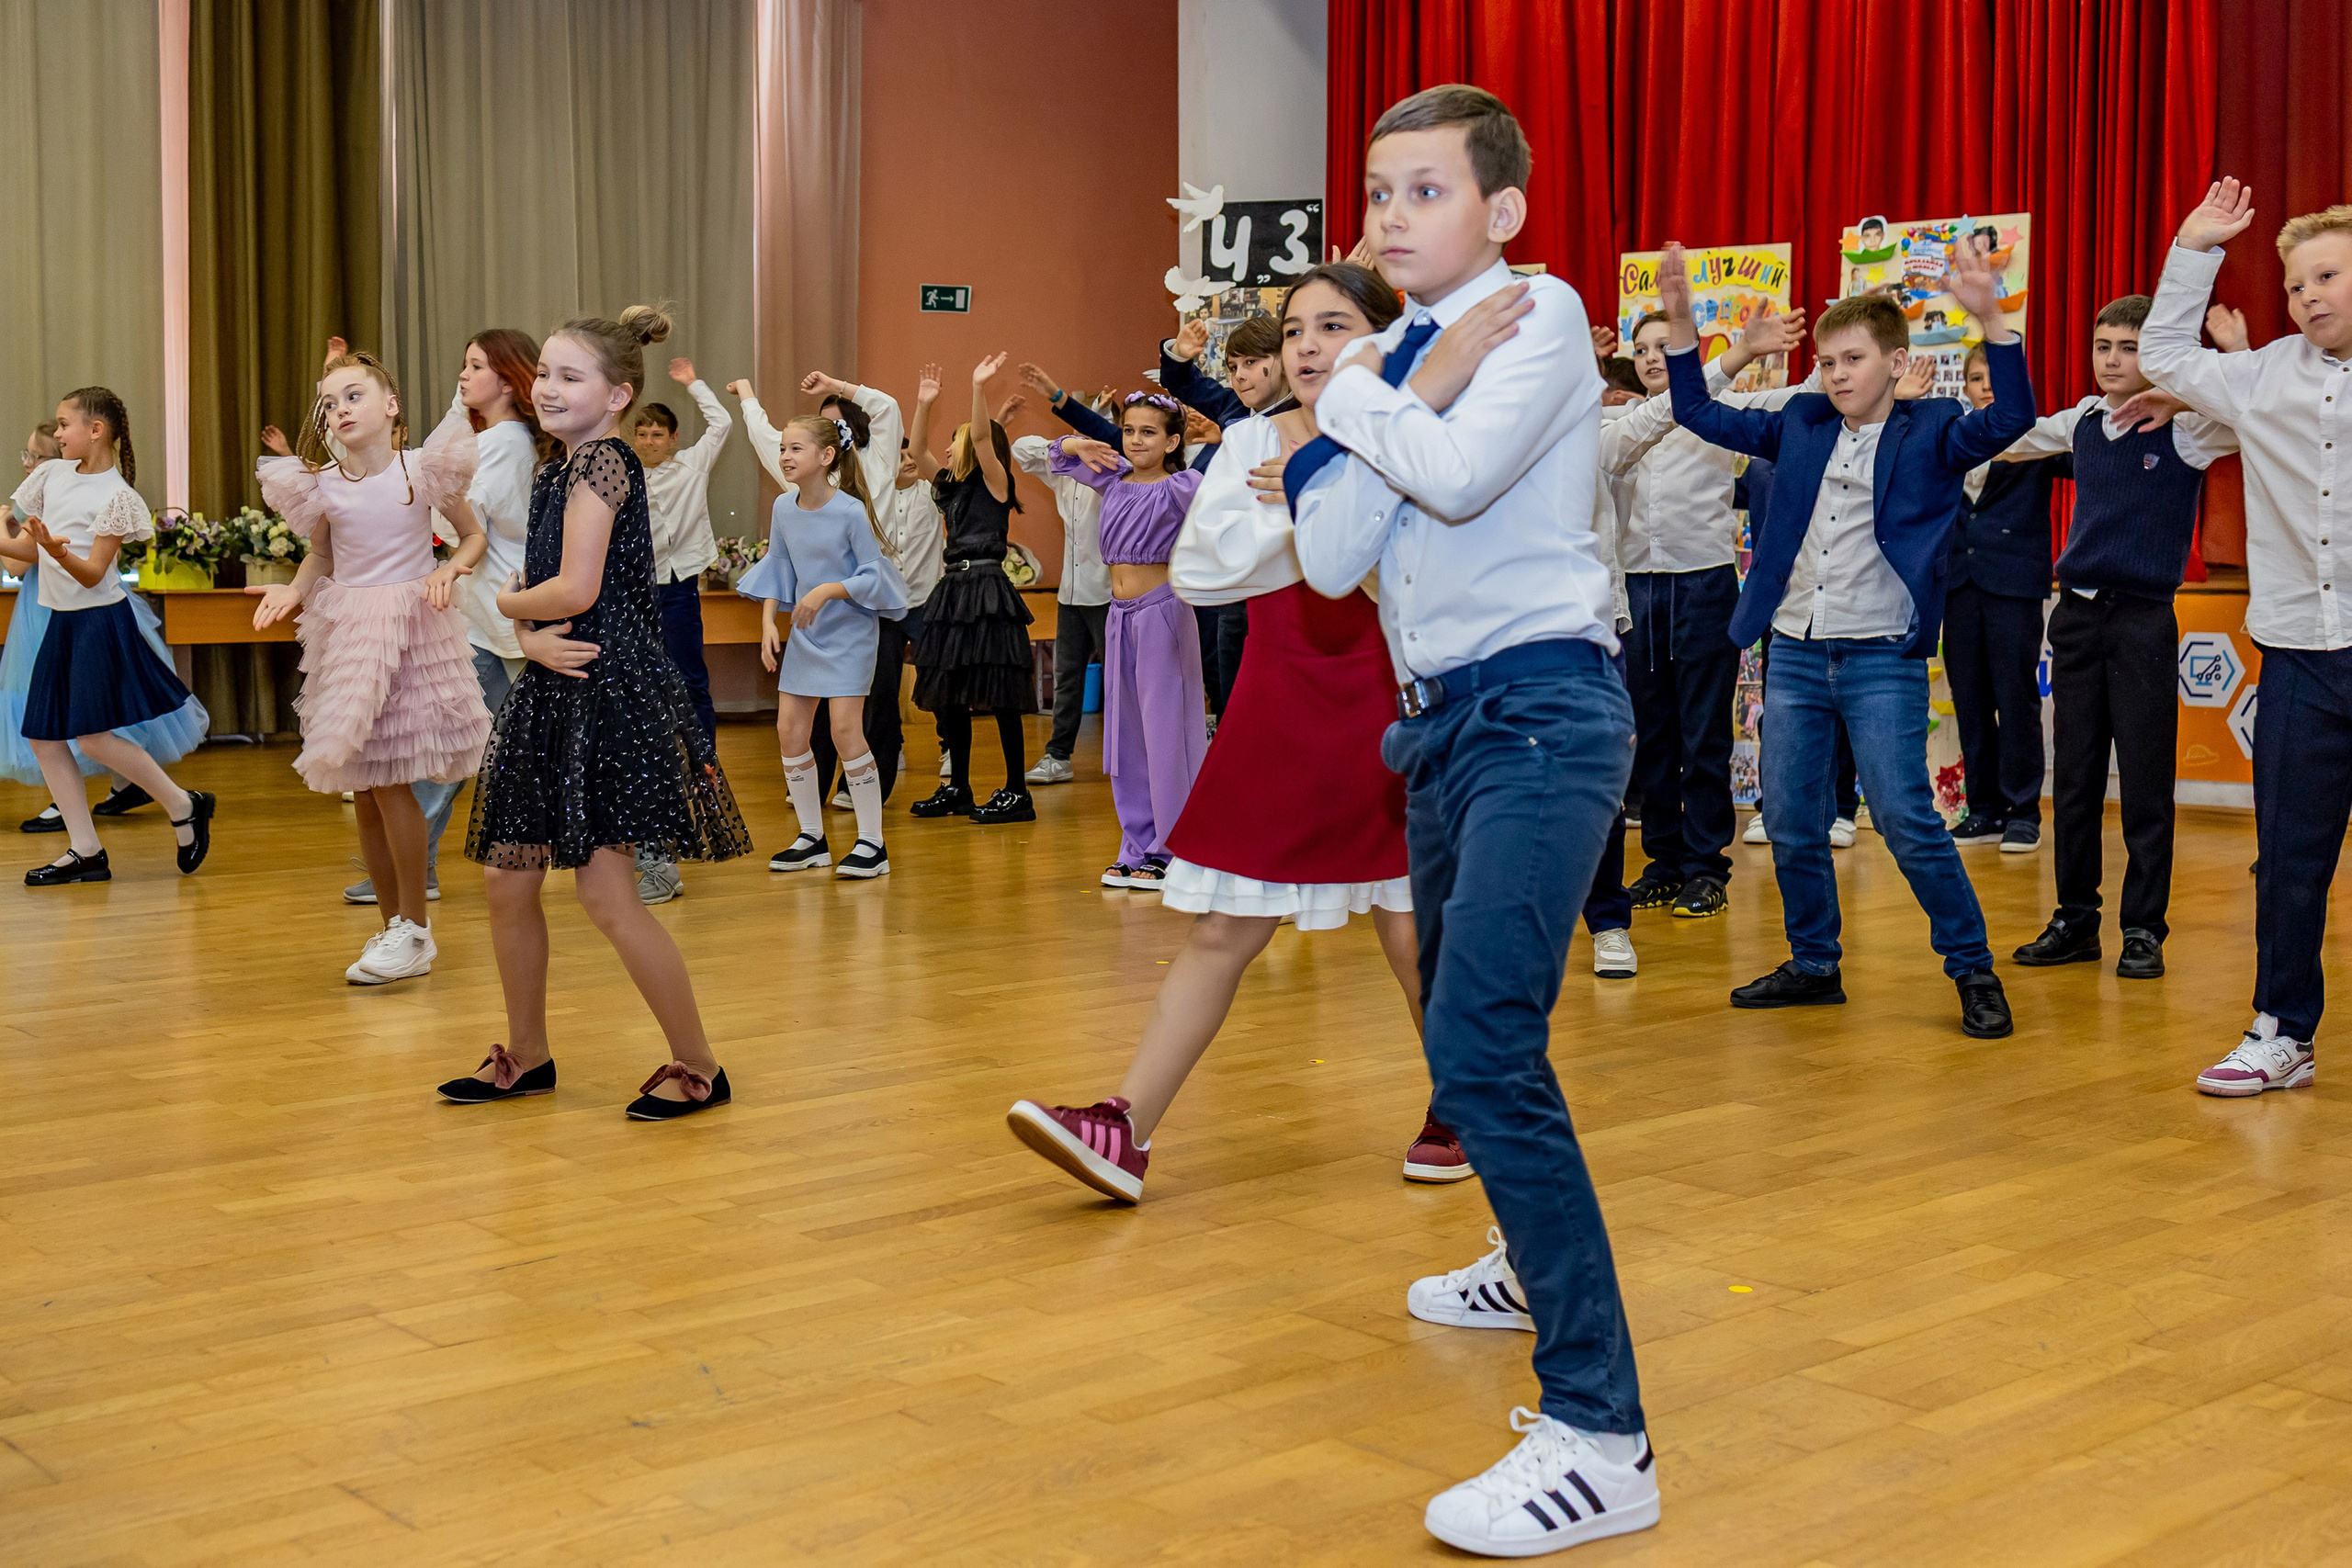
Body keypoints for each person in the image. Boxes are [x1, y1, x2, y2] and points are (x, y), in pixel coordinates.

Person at [1288, 85, 1658, 1558]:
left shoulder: (1544, 312)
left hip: (1545, 709)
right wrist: (1394, 382)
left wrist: (1374, 393)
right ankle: (1521, 1255)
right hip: (1439, 724)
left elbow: (1444, 478)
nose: (1389, 214)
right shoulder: (1409, 354)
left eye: (1424, 190)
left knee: (1487, 1048)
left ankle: (1602, 1432)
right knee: (1466, 1032)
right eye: (1380, 191)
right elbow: (1325, 560)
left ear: (1499, 211)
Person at [1009, 262, 1478, 1193]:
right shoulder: (1247, 438)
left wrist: (1307, 501)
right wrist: (1318, 519)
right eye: (1296, 329)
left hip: (1383, 702)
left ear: (1383, 342)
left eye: (1332, 326)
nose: (1306, 346)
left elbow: (1406, 576)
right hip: (1276, 698)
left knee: (1408, 923)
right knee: (1226, 922)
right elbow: (1208, 572)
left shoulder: (1416, 439)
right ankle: (1123, 1127)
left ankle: (1465, 1103)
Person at [1664, 233, 2034, 1040]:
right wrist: (1687, 331)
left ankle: (1972, 967)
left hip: (1878, 657)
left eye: (1853, 360)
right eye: (1828, 360)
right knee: (1791, 816)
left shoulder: (1933, 428)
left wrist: (1994, 323)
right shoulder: (1797, 421)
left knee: (1904, 817)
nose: (1836, 375)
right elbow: (1694, 410)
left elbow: (2014, 415)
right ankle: (1813, 964)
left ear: (1897, 364)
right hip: (1793, 650)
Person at [440, 304, 751, 1118]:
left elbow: (576, 589)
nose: (546, 387)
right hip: (558, 686)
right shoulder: (559, 467)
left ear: (617, 397)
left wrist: (506, 602)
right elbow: (563, 602)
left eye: (569, 377)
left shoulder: (604, 465)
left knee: (607, 896)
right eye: (544, 372)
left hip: (608, 696)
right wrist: (530, 637)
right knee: (509, 881)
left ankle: (699, 1064)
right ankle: (530, 1053)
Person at [2140, 180, 2352, 1097]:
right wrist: (2194, 248)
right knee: (2290, 857)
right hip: (2300, 659)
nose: (2309, 295)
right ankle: (2280, 1031)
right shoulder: (2261, 376)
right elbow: (2159, 350)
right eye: (2297, 282)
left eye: (2329, 275)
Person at [1997, 297, 2237, 977]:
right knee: (2071, 778)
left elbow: (2253, 417)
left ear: (2155, 355)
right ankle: (2075, 918)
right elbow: (2008, 436)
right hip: (2074, 618)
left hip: (2142, 619)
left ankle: (2143, 927)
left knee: (2144, 780)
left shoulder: (2188, 431)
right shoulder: (2080, 420)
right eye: (2103, 345)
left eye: (2128, 348)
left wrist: (2211, 368)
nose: (2111, 359)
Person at [253, 349, 488, 977]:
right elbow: (322, 557)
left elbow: (472, 535)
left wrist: (450, 569)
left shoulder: (421, 472)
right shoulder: (323, 484)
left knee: (389, 780)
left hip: (410, 629)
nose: (340, 409)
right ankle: (394, 928)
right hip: (350, 631)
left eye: (353, 395)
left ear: (391, 406)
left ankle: (415, 927)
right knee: (364, 787)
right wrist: (293, 591)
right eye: (330, 402)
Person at [1609, 304, 1814, 919]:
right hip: (1636, 592)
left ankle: (1705, 866)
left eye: (1663, 346)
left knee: (1702, 735)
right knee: (1653, 736)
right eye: (1640, 347)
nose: (1650, 356)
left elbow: (1804, 397)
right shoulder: (1613, 420)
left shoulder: (1726, 413)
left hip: (1702, 586)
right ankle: (1663, 861)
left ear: (1690, 355)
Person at [342, 328, 548, 908]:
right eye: (463, 364)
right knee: (445, 746)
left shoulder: (504, 442)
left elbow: (443, 504)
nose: (462, 375)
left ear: (507, 381)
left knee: (549, 747)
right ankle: (419, 867)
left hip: (509, 616)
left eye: (475, 366)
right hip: (479, 617)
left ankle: (648, 855)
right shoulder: (484, 435)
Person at [0, 389, 217, 886]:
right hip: (62, 621)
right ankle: (86, 850)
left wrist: (56, 551)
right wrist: (44, 548)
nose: (56, 435)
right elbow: (30, 554)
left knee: (93, 737)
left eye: (63, 424)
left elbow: (95, 574)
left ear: (95, 430)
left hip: (100, 621)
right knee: (43, 736)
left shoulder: (118, 497)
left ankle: (183, 805)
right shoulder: (52, 476)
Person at [739, 413, 909, 878]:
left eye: (795, 448)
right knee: (790, 730)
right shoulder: (782, 508)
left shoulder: (851, 511)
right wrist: (768, 620)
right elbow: (778, 564)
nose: (785, 457)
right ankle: (811, 837)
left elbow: (874, 575)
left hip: (850, 631)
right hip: (806, 633)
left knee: (843, 729)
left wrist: (825, 591)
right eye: (783, 449)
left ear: (826, 456)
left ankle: (873, 844)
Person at [1050, 394, 1206, 887]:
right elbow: (1056, 456)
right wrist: (1077, 439)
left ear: (1172, 442)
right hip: (1119, 615)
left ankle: (1172, 847)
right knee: (1126, 734)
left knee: (1165, 734)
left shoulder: (1182, 485)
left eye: (1148, 432)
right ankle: (1136, 844)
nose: (1136, 440)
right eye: (1130, 430)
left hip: (1164, 612)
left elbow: (1228, 509)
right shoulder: (1111, 476)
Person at [1942, 341, 2064, 855]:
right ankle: (1984, 808)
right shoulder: (1949, 438)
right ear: (1964, 387)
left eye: (1995, 377)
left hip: (2014, 583)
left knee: (2015, 698)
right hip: (1956, 583)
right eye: (1976, 377)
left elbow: (2096, 462)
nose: (1985, 385)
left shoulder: (2038, 435)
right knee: (1970, 700)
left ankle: (2024, 811)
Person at [903, 355, 1036, 824]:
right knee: (951, 694)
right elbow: (917, 447)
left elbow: (982, 437)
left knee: (1001, 695)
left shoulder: (997, 483)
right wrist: (923, 404)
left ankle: (1018, 791)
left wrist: (979, 388)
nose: (946, 449)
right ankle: (957, 787)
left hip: (987, 586)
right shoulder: (950, 488)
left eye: (953, 441)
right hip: (954, 590)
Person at [628, 361, 732, 904]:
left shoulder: (692, 465)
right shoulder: (622, 474)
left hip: (680, 585)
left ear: (673, 438)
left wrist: (695, 381)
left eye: (658, 434)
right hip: (638, 590)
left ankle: (704, 760)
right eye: (641, 433)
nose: (649, 441)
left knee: (690, 675)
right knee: (645, 683)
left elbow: (722, 425)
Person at [1164, 312, 1294, 707]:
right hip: (1234, 582)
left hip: (1283, 576)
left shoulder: (1308, 413)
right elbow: (1184, 382)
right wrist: (1180, 353)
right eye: (1233, 366)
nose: (1239, 376)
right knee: (1228, 686)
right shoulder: (1234, 413)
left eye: (1251, 363)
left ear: (1284, 357)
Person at [1010, 422, 1109, 786]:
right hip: (1070, 592)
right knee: (1067, 677)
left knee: (1120, 678)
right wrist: (1067, 445)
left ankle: (1131, 753)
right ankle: (1058, 755)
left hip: (1109, 594)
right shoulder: (1062, 470)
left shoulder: (1116, 470)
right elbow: (1022, 447)